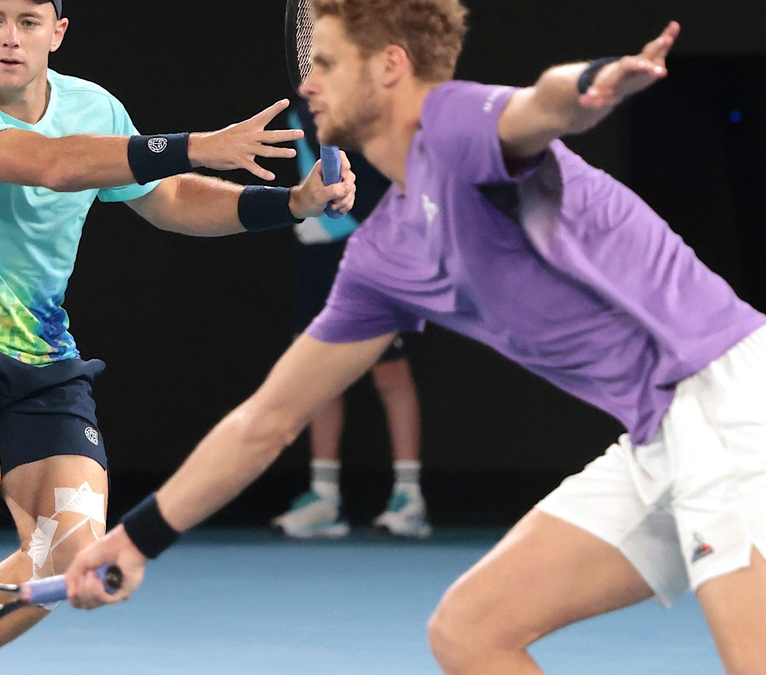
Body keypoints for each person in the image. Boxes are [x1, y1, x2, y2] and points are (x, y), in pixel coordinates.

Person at [67, 3, 766, 674]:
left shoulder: (453, 125)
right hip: (658, 435)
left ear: (391, 66)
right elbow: (267, 419)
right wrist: (137, 536)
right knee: (471, 631)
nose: (306, 81)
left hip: (731, 405)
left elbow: (541, 105)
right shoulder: (385, 255)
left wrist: (590, 84)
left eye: (330, 63)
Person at [0, 0, 356, 670]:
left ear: (57, 33)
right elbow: (50, 165)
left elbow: (171, 199)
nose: (10, 38)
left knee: (70, 555)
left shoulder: (95, 109)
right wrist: (194, 144)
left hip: (43, 357)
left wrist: (293, 204)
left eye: (29, 21)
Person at [271, 101, 430, 539]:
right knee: (317, 373)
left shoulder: (364, 103)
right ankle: (324, 498)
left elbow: (392, 177)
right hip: (316, 253)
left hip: (371, 249)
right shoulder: (306, 105)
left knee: (390, 372)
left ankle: (409, 496)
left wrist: (366, 230)